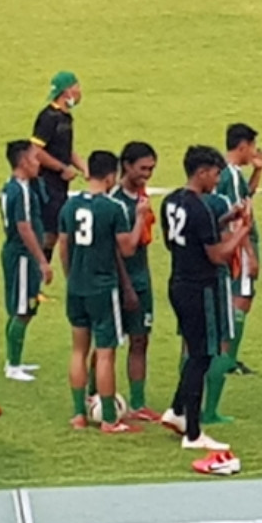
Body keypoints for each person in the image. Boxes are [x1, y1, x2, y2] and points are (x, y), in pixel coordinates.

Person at [160, 146, 250, 456]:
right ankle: (194, 432)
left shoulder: (172, 201)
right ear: (201, 172)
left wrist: (227, 217)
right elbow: (217, 254)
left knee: (193, 350)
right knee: (201, 356)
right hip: (201, 288)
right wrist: (242, 231)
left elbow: (180, 238)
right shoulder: (199, 208)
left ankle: (176, 410)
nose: (217, 180)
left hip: (178, 282)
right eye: (214, 173)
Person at [60, 151, 143, 433]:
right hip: (103, 289)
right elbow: (128, 248)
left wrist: (71, 277)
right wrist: (141, 218)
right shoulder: (113, 208)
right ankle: (109, 419)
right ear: (111, 176)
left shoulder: (69, 206)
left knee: (78, 351)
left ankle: (78, 414)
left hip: (76, 287)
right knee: (105, 353)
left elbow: (64, 246)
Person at [206, 124, 262, 422]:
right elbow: (233, 218)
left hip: (237, 246)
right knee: (238, 304)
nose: (255, 151)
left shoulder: (231, 175)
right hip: (239, 248)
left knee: (241, 302)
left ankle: (228, 357)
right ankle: (227, 359)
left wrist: (258, 172)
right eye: (253, 146)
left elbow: (244, 197)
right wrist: (249, 254)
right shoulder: (228, 174)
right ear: (242, 146)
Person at [113, 143, 159, 420]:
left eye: (152, 169)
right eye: (143, 168)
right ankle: (96, 395)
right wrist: (127, 287)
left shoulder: (141, 197)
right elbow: (119, 250)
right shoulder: (117, 202)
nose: (148, 174)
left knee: (140, 340)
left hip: (142, 279)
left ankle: (138, 403)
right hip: (121, 282)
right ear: (127, 166)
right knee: (108, 344)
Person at [0, 140, 51, 382]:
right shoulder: (21, 191)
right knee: (22, 309)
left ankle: (14, 360)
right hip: (22, 256)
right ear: (22, 162)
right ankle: (13, 365)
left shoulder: (11, 187)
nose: (38, 162)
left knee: (20, 306)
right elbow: (24, 227)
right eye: (34, 158)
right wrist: (42, 260)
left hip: (15, 252)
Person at [31, 71, 87, 261]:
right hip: (47, 184)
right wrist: (62, 169)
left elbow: (66, 150)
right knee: (48, 234)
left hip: (60, 185)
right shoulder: (48, 117)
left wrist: (84, 168)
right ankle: (36, 278)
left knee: (54, 233)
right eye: (77, 87)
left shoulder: (66, 117)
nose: (80, 91)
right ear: (67, 92)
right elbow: (36, 151)